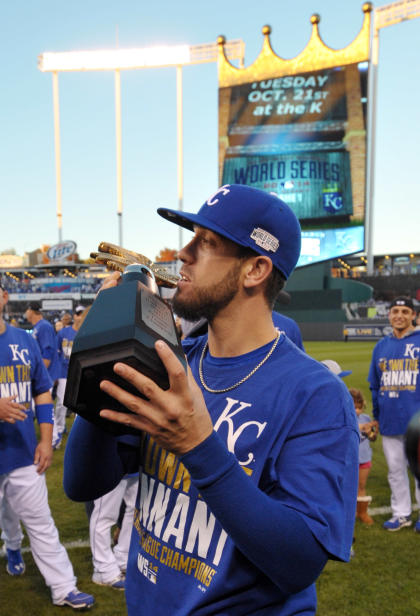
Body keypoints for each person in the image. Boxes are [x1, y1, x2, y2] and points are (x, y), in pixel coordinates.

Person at [64, 184, 359, 616]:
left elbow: (299, 564)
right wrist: (108, 357)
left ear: (255, 270)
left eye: (206, 243)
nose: (183, 254)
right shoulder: (174, 362)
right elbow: (82, 484)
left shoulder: (316, 395)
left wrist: (198, 447)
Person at [0, 284, 94, 609]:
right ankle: (12, 545)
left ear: (4, 297)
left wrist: (45, 439)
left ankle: (64, 587)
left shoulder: (24, 340)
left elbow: (42, 390)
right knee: (9, 518)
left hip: (24, 452)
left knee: (40, 522)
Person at [368, 296, 420, 532]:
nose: (399, 315)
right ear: (389, 315)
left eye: (405, 311)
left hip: (416, 421)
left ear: (413, 316)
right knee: (395, 470)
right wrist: (376, 416)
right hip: (389, 420)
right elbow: (375, 385)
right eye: (395, 311)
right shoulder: (381, 346)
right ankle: (401, 514)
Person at [89, 473, 138, 589]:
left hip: (133, 463)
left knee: (137, 508)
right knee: (105, 515)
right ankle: (103, 571)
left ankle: (123, 558)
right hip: (111, 464)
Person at [53, 305, 87, 449]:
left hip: (79, 373)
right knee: (61, 403)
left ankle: (77, 433)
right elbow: (56, 353)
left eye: (81, 314)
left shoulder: (86, 333)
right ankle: (59, 430)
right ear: (74, 316)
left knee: (81, 405)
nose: (79, 317)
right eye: (77, 314)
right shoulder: (63, 333)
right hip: (63, 372)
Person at [349, 388, 377, 526]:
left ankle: (362, 512)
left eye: (359, 408)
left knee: (361, 486)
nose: (357, 411)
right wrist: (360, 427)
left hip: (364, 459)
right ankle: (350, 511)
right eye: (354, 407)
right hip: (348, 460)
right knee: (348, 486)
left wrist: (370, 432)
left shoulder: (366, 419)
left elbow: (373, 438)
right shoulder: (344, 419)